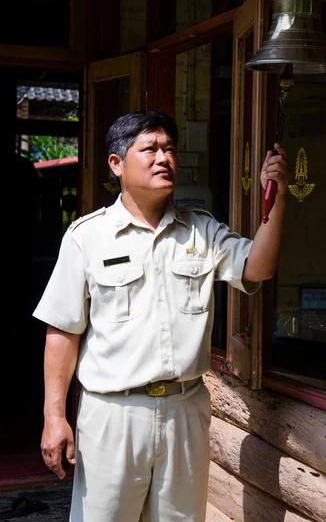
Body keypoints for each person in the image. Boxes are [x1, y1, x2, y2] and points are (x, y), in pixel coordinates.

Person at [33, 110, 291, 522]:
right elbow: (63, 332)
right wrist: (54, 417)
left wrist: (276, 198)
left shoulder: (201, 231)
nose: (163, 158)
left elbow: (258, 267)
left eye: (169, 149)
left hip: (184, 411)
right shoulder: (87, 237)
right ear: (116, 164)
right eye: (150, 149)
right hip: (112, 416)